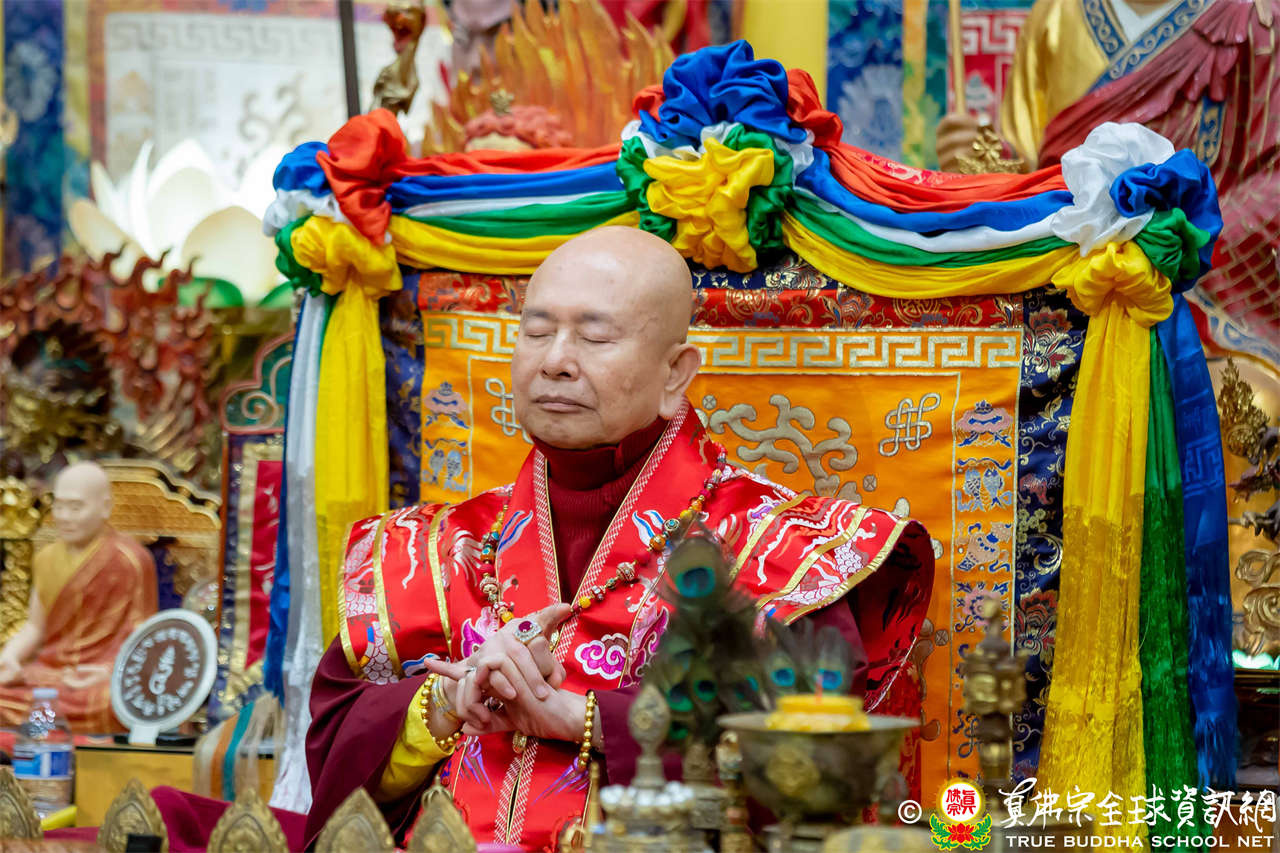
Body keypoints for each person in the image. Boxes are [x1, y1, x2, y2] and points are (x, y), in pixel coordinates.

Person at [305, 226, 935, 849]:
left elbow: (813, 761)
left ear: (675, 373)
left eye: (595, 336)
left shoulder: (782, 549)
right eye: (537, 331)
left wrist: (587, 720)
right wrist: (445, 703)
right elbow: (337, 762)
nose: (555, 360)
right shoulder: (429, 550)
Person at [935, 0, 1278, 341]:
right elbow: (1025, 172)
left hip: (1188, 290)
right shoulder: (1056, 12)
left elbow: (1271, 183)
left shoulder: (1253, 17)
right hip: (1067, 284)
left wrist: (1178, 248)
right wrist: (979, 159)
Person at [0, 461, 157, 731]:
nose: (64, 517)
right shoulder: (46, 558)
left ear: (105, 507)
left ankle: (42, 728)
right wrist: (9, 657)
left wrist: (110, 672)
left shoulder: (131, 559)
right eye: (59, 506)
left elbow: (144, 637)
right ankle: (45, 727)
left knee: (114, 703)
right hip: (48, 675)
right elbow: (34, 627)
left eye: (75, 507)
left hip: (98, 681)